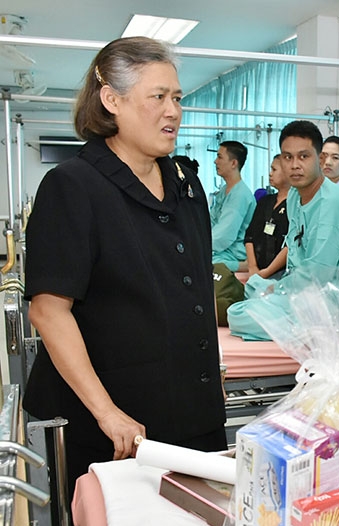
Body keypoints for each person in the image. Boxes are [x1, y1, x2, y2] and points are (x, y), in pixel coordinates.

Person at [23, 37, 227, 501]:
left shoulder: (185, 182)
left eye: (177, 97)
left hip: (194, 413)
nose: (173, 110)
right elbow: (49, 311)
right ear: (112, 100)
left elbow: (191, 283)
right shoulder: (73, 187)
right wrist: (107, 412)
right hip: (116, 425)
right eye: (158, 97)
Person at [226, 120, 339, 340]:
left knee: (238, 314)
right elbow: (295, 247)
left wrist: (277, 290)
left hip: (338, 300)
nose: (295, 165)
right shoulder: (295, 195)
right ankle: (285, 315)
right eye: (288, 157)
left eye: (303, 156)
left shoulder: (333, 202)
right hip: (305, 291)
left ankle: (308, 328)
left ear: (319, 158)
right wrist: (272, 285)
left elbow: (319, 273)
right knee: (253, 287)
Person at [209, 140, 256, 271]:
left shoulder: (240, 195)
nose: (215, 161)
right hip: (221, 249)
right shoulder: (224, 191)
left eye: (219, 157)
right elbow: (211, 221)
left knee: (199, 260)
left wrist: (200, 245)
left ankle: (243, 266)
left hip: (234, 252)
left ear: (233, 163)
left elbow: (224, 235)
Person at [244, 153, 289, 279]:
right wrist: (252, 267)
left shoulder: (295, 204)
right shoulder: (265, 201)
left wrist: (267, 272)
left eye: (274, 170)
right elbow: (249, 236)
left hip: (282, 273)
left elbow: (290, 245)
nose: (270, 173)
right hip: (257, 270)